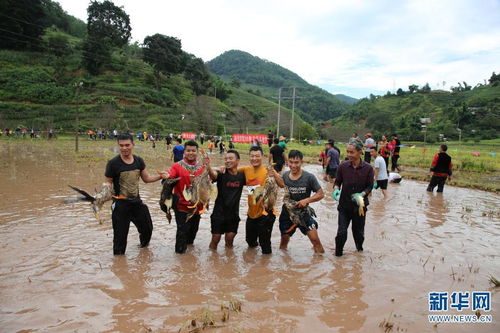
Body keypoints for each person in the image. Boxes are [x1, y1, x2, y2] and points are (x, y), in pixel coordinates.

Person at [103, 133, 166, 255]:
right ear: (118, 146)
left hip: (136, 203)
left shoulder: (138, 161)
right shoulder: (113, 163)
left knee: (147, 229)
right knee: (120, 238)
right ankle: (119, 263)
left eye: (127, 145)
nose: (124, 148)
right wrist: (105, 192)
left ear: (133, 144)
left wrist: (160, 176)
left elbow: (146, 179)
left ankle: (143, 251)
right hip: (120, 205)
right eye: (121, 145)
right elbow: (108, 183)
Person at [277, 150, 325, 253]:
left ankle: (319, 263)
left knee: (316, 241)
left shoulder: (309, 177)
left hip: (304, 213)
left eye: (296, 162)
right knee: (283, 244)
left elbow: (321, 194)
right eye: (291, 162)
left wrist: (307, 200)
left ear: (301, 162)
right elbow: (281, 185)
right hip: (287, 213)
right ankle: (283, 266)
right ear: (288, 162)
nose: (293, 165)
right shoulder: (285, 175)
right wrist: (272, 174)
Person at [239, 146, 284, 254]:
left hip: (266, 214)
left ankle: (266, 264)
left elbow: (282, 185)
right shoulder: (245, 170)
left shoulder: (268, 170)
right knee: (250, 241)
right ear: (249, 157)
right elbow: (230, 171)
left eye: (257, 156)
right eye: (252, 156)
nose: (254, 158)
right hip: (251, 213)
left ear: (262, 157)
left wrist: (275, 175)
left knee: (265, 244)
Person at [332, 142, 374, 257]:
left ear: (360, 152)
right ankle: (338, 256)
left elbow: (370, 186)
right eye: (347, 152)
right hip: (344, 206)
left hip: (359, 206)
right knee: (341, 232)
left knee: (358, 234)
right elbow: (337, 182)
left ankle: (359, 252)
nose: (349, 155)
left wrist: (362, 194)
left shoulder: (368, 169)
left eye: (352, 152)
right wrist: (336, 189)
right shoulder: (343, 166)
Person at [167, 140, 207, 253]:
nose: (191, 153)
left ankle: (189, 256)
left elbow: (207, 184)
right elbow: (171, 178)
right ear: (184, 152)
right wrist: (167, 177)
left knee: (193, 231)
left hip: (197, 205)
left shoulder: (202, 166)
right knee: (182, 231)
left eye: (193, 151)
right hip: (181, 205)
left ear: (197, 152)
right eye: (188, 150)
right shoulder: (176, 166)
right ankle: (180, 256)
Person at [205, 150, 246, 250]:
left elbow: (255, 182)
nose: (227, 161)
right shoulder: (221, 173)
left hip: (233, 214)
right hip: (219, 213)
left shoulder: (242, 176)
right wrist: (208, 166)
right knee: (215, 239)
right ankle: (213, 261)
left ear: (238, 161)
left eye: (230, 158)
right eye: (226, 159)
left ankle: (229, 262)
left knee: (229, 240)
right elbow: (213, 175)